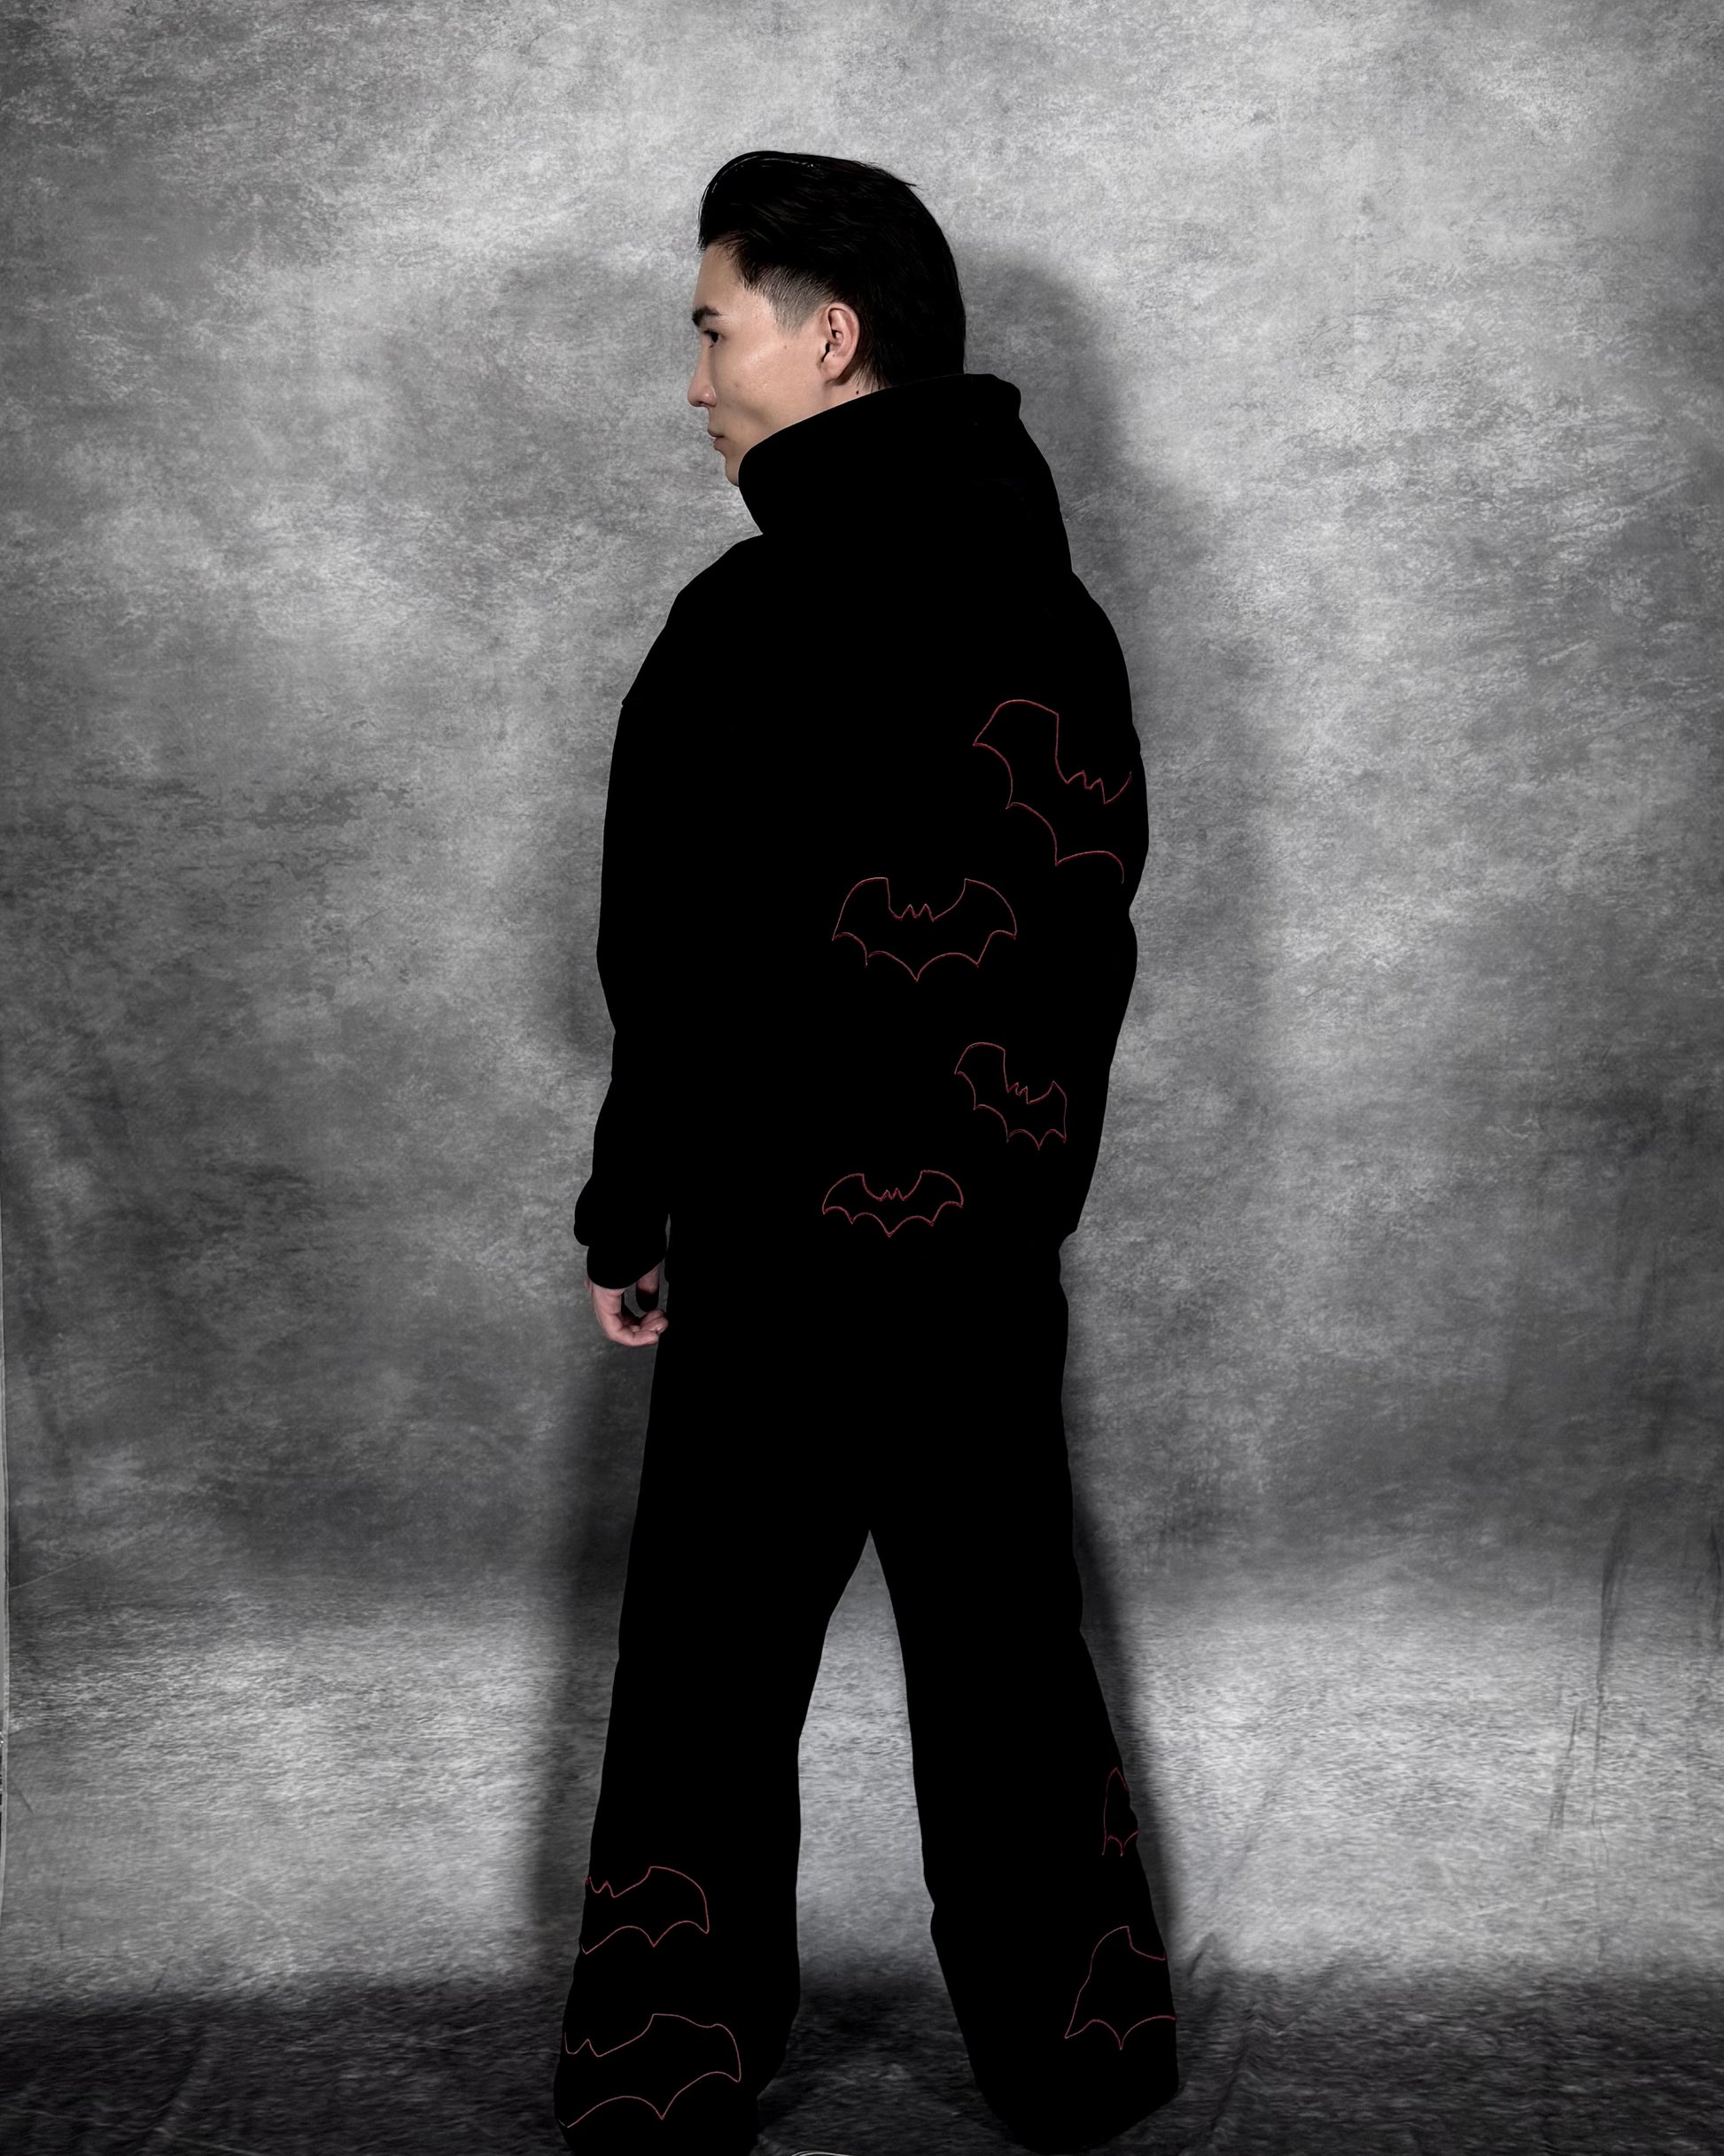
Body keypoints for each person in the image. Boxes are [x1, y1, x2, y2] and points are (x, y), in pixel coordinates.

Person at [555, 150, 1177, 2156]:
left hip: (777, 1242)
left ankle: (664, 2076)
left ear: (829, 340)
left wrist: (632, 1206)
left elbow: (669, 959)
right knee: (1005, 1654)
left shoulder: (742, 620)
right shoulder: (1057, 619)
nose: (694, 382)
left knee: (706, 1674)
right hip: (980, 1244)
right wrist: (1016, 1196)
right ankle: (1084, 2060)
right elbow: (1090, 934)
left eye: (712, 329)